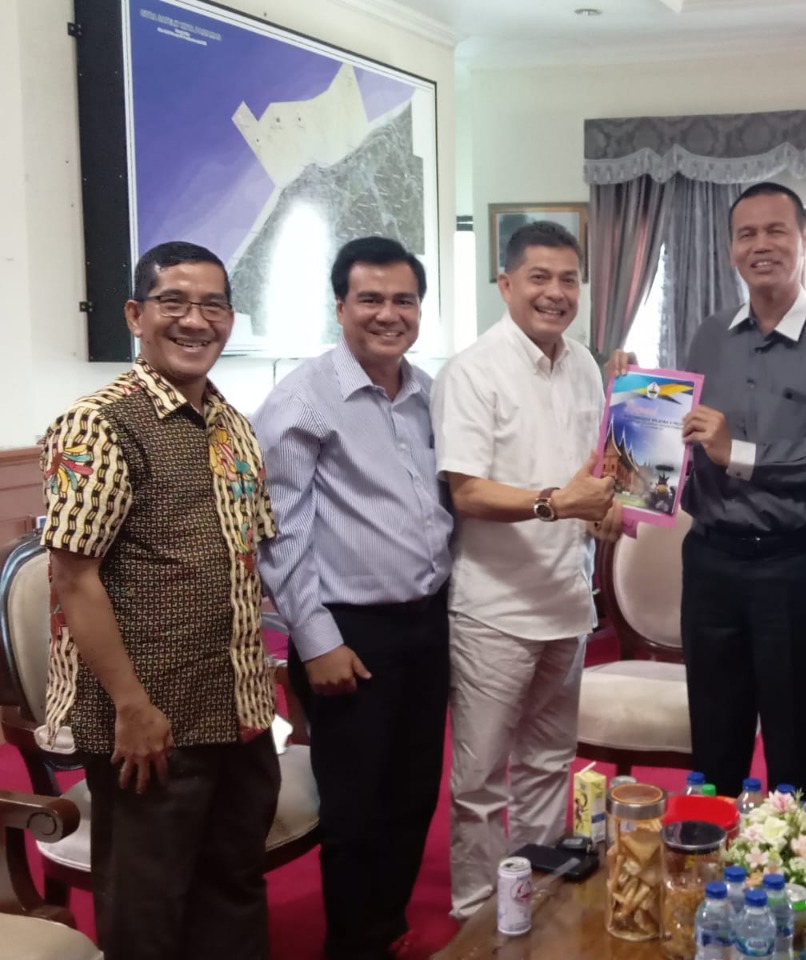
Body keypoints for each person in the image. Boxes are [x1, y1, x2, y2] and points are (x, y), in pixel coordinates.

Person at [39, 241, 279, 960]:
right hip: (150, 721)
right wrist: (132, 706)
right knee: (149, 908)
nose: (195, 320)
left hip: (236, 707)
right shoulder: (101, 424)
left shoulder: (233, 424)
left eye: (212, 305)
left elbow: (246, 564)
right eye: (174, 301)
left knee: (235, 886)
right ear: (135, 315)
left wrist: (271, 692)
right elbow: (73, 577)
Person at [254, 236, 451, 960]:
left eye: (403, 300)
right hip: (349, 634)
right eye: (370, 299)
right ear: (340, 307)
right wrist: (317, 640)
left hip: (428, 623)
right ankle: (352, 945)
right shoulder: (303, 399)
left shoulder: (428, 393)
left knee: (413, 791)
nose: (388, 314)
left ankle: (385, 928)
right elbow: (279, 533)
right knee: (357, 802)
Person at [430, 220, 619, 920]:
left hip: (566, 599)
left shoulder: (584, 365)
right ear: (506, 283)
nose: (555, 292)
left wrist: (609, 507)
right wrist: (556, 502)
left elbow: (594, 472)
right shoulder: (471, 371)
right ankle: (477, 914)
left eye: (569, 279)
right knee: (482, 778)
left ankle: (533, 902)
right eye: (539, 277)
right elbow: (467, 492)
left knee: (548, 762)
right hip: (495, 609)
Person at [680, 181, 806, 798]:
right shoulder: (709, 334)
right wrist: (635, 410)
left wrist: (737, 453)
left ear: (804, 241)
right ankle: (712, 853)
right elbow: (682, 438)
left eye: (776, 231)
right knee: (714, 738)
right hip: (710, 559)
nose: (760, 245)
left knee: (795, 743)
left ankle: (794, 858)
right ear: (730, 248)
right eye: (746, 234)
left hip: (792, 566)